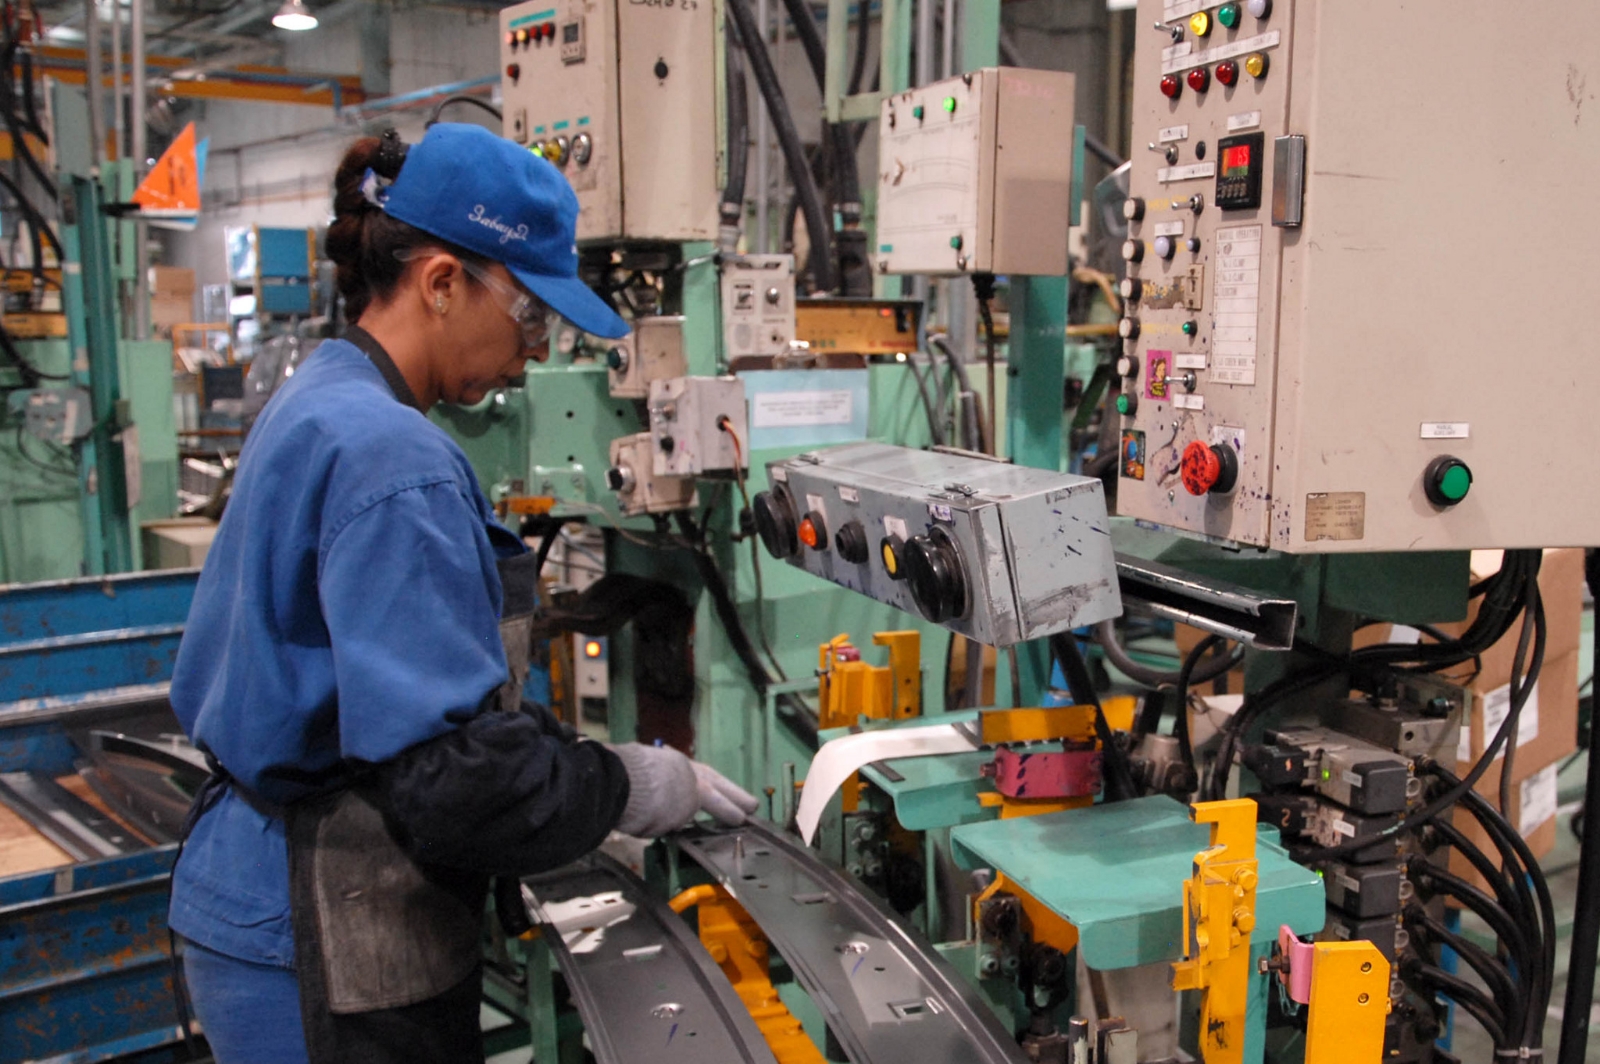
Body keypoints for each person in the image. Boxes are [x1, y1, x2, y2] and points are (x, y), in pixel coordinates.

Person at [167, 122, 757, 1064]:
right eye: (530, 317)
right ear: (442, 283)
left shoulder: (324, 394)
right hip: (325, 928)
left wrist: (565, 762)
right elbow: (452, 781)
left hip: (254, 890)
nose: (535, 353)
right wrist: (626, 786)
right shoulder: (395, 458)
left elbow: (414, 707)